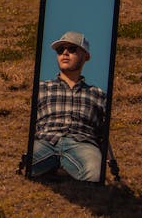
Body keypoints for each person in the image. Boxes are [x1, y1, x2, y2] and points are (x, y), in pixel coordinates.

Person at [31, 30, 106, 182]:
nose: (65, 53)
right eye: (60, 50)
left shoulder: (98, 94)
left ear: (86, 56)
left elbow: (104, 133)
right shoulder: (41, 88)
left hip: (82, 144)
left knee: (95, 172)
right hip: (45, 141)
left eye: (72, 49)